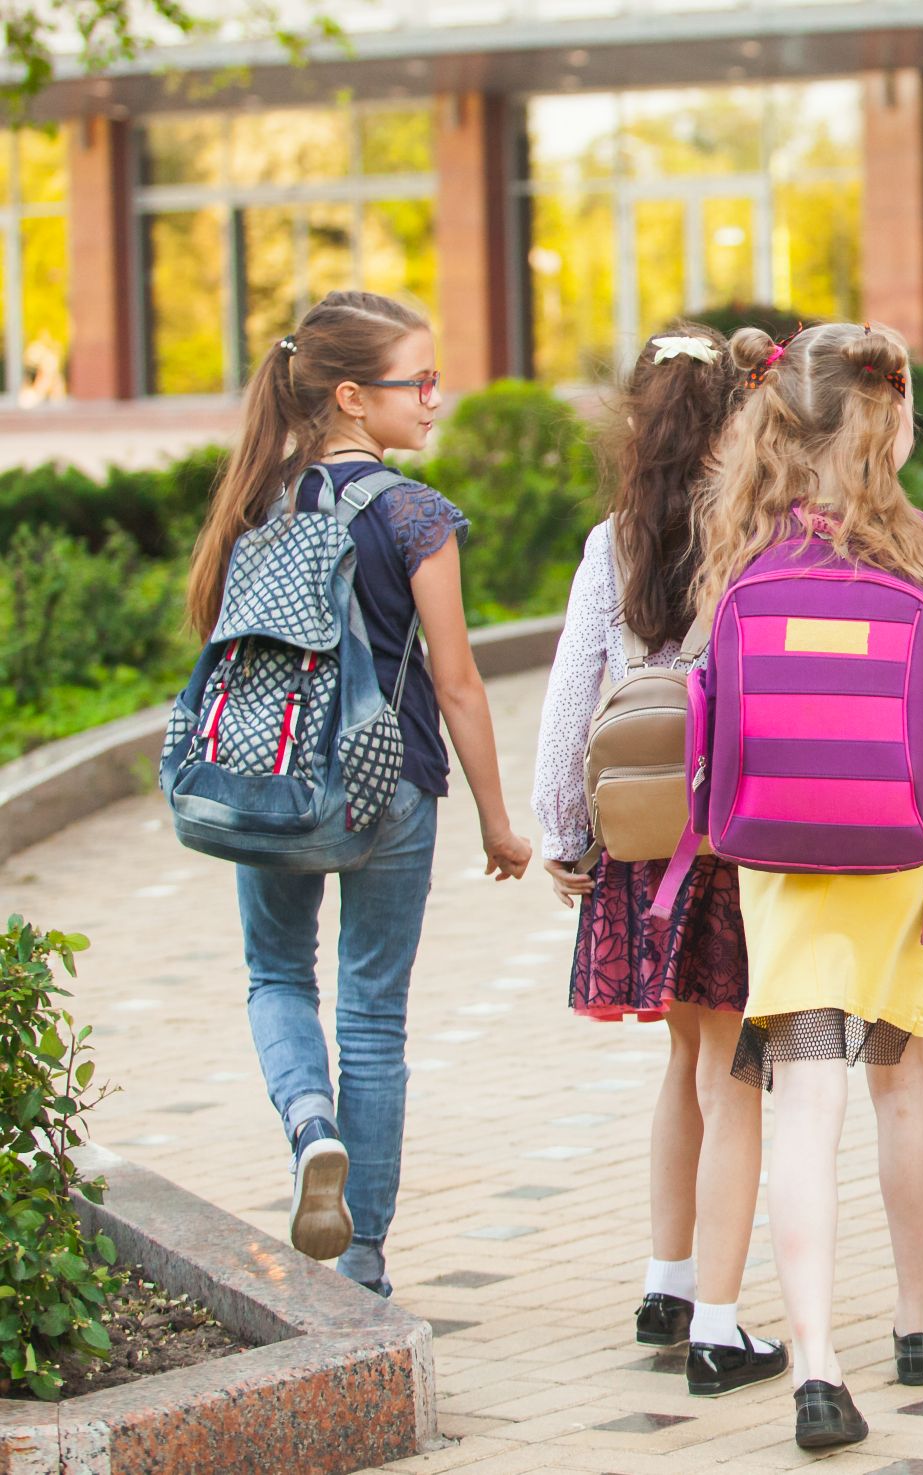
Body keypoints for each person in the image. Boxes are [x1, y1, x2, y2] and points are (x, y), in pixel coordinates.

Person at [183, 291, 533, 1298]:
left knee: (277, 975)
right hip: (391, 787)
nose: (435, 399)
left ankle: (309, 1125)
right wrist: (500, 823)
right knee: (374, 1016)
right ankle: (364, 1264)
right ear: (349, 396)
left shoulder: (256, 497)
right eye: (417, 382)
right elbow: (460, 685)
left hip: (272, 781)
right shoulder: (415, 514)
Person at [692, 321, 923, 1450]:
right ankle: (916, 1322)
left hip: (782, 863)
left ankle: (818, 1365)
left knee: (803, 1103)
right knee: (904, 1082)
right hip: (902, 863)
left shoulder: (740, 549)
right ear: (889, 422)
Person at [531, 323, 782, 1394]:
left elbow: (568, 699)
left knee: (683, 1063)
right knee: (739, 1077)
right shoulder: (761, 537)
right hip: (734, 832)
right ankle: (720, 1321)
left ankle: (666, 1276)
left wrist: (560, 830)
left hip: (641, 837)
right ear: (739, 422)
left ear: (637, 422)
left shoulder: (612, 543)